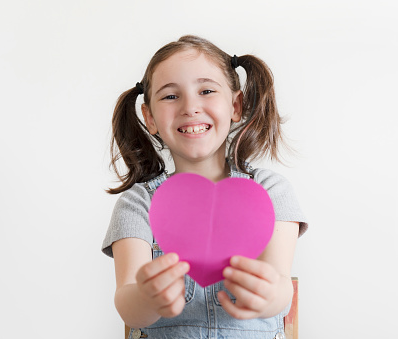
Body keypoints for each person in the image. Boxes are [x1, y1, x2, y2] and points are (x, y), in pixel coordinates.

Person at [102, 35, 308, 339]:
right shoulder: (137, 204)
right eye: (170, 96)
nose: (190, 107)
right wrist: (147, 298)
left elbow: (281, 293)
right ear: (150, 118)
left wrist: (268, 295)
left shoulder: (270, 191)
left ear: (235, 106)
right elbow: (127, 303)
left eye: (207, 91)